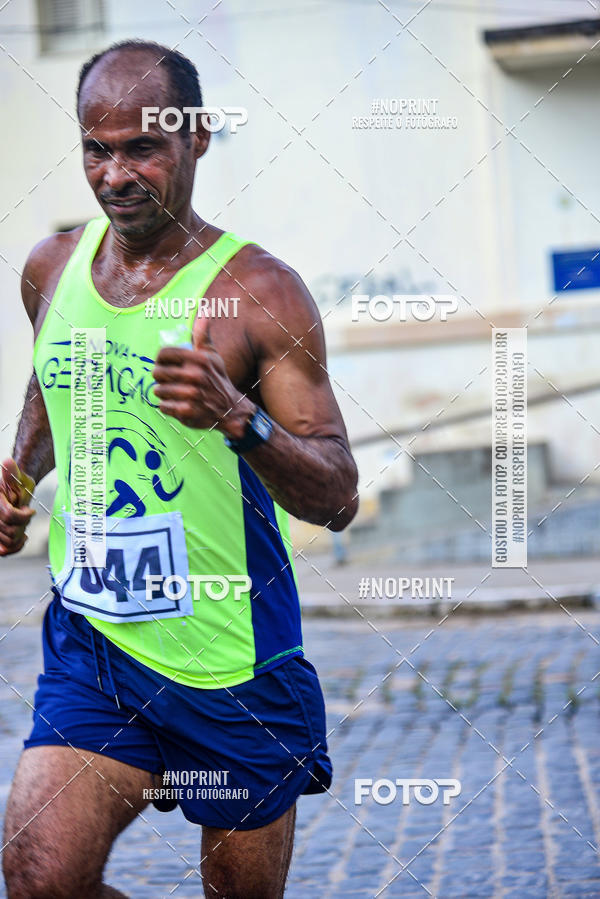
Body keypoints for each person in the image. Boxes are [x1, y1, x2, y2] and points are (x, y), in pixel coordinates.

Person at [0, 40, 358, 899]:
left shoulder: (260, 293)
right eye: (97, 148)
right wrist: (16, 476)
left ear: (196, 138)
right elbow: (56, 387)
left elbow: (339, 493)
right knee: (38, 875)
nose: (116, 174)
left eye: (142, 149)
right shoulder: (51, 268)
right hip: (95, 642)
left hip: (232, 664)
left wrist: (238, 416)